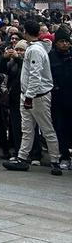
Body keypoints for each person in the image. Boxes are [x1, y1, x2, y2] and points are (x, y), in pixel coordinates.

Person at [3, 21, 63, 175]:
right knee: (27, 129)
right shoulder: (37, 47)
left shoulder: (35, 50)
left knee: (46, 128)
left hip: (37, 96)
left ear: (26, 32)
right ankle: (22, 158)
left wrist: (29, 96)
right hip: (31, 94)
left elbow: (35, 75)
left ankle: (55, 160)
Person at [49, 26, 72, 169]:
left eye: (67, 41)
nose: (65, 44)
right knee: (61, 128)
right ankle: (64, 155)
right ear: (56, 42)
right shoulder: (50, 57)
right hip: (58, 100)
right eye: (62, 41)